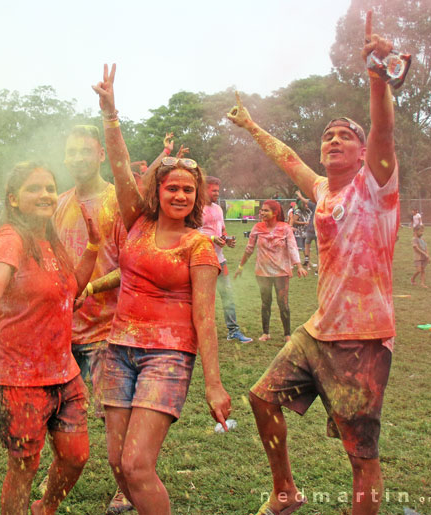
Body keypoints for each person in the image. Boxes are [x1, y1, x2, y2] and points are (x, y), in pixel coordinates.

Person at [228, 12, 400, 515]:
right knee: (262, 398)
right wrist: (253, 125)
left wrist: (376, 78)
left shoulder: (378, 187)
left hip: (362, 340)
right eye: (327, 135)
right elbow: (286, 158)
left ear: (364, 150)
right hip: (317, 330)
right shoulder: (324, 191)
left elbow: (384, 129)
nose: (332, 140)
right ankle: (285, 491)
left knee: (359, 456)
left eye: (345, 135)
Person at [93, 63, 231, 515]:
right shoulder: (138, 221)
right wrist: (111, 115)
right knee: (116, 461)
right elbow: (118, 169)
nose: (180, 196)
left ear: (198, 198)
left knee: (136, 463)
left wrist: (213, 385)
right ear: (159, 190)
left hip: (168, 357)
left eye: (189, 191)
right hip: (118, 350)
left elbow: (204, 318)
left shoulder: (200, 245)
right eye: (172, 187)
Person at [0, 162, 99, 515]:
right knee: (24, 468)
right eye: (34, 188)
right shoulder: (10, 238)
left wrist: (94, 245)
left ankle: (44, 508)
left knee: (76, 456)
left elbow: (71, 289)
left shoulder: (50, 240)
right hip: (18, 379)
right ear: (13, 199)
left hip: (64, 372)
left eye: (50, 188)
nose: (46, 195)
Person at [52, 124, 132, 514]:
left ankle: (126, 487)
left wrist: (92, 287)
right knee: (62, 410)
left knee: (115, 414)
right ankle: (61, 474)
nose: (79, 158)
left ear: (101, 154)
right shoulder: (59, 202)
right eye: (72, 152)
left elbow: (133, 264)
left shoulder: (118, 201)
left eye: (86, 151)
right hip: (63, 328)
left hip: (108, 327)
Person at [234, 200, 307, 342]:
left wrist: (299, 265)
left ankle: (287, 334)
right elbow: (249, 249)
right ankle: (265, 333)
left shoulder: (285, 228)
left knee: (283, 303)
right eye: (261, 210)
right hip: (262, 272)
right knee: (265, 302)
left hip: (281, 272)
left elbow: (292, 247)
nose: (262, 213)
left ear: (275, 213)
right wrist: (240, 267)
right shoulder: (257, 228)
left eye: (266, 210)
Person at [200, 175, 253, 343]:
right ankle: (201, 332)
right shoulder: (195, 208)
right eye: (214, 190)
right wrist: (212, 239)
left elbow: (221, 229)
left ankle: (233, 331)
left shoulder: (218, 208)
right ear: (204, 189)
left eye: (218, 190)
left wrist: (226, 238)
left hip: (219, 259)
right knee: (203, 298)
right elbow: (190, 233)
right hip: (201, 260)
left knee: (227, 295)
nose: (217, 193)